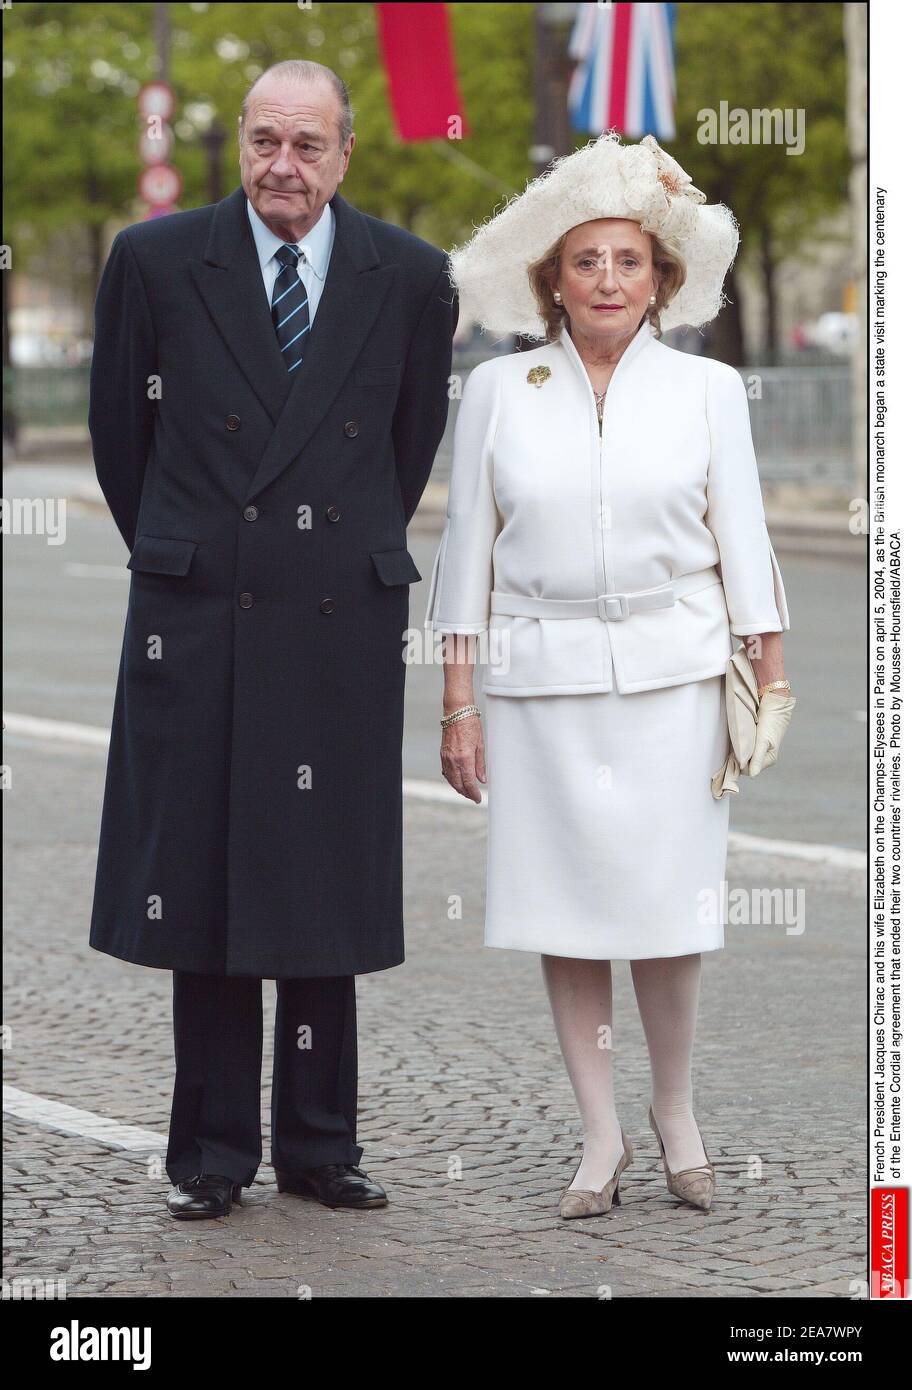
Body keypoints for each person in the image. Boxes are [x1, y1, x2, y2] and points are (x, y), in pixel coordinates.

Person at [88, 60, 457, 1218]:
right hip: (197, 621)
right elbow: (119, 446)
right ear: (238, 146)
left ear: (346, 153)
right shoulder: (154, 261)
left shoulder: (410, 275)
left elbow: (406, 447)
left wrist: (322, 553)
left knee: (322, 883)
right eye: (262, 142)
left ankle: (319, 1144)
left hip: (337, 614)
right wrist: (202, 549)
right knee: (201, 887)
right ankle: (207, 1154)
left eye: (305, 145)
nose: (280, 167)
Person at [426, 132, 795, 1218]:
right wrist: (457, 700)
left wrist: (769, 679)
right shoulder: (500, 387)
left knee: (668, 913)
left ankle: (678, 1118)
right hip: (539, 686)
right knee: (566, 913)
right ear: (553, 278)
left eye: (627, 261)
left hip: (677, 681)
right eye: (585, 261)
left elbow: (747, 538)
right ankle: (601, 1136)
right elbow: (466, 551)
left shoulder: (707, 389)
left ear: (661, 279)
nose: (606, 280)